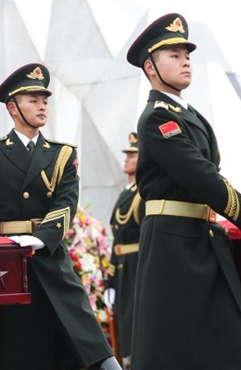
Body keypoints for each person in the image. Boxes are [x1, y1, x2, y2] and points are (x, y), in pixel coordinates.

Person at [125, 13, 241, 369]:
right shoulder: (156, 118)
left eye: (187, 55)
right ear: (150, 67)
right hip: (172, 243)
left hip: (201, 237)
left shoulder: (193, 117)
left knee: (230, 343)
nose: (185, 61)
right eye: (174, 55)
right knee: (174, 345)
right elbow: (200, 175)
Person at [0, 63, 121, 370]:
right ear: (12, 107)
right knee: (16, 349)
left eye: (45, 100)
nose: (42, 106)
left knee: (85, 341)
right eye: (32, 100)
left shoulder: (61, 154)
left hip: (49, 255)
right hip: (7, 263)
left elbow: (66, 203)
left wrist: (39, 238)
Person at [103, 132, 144, 370]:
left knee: (135, 325)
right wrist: (110, 281)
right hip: (123, 271)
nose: (127, 159)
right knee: (124, 327)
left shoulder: (144, 193)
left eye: (133, 154)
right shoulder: (126, 193)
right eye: (127, 154)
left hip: (138, 267)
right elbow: (117, 242)